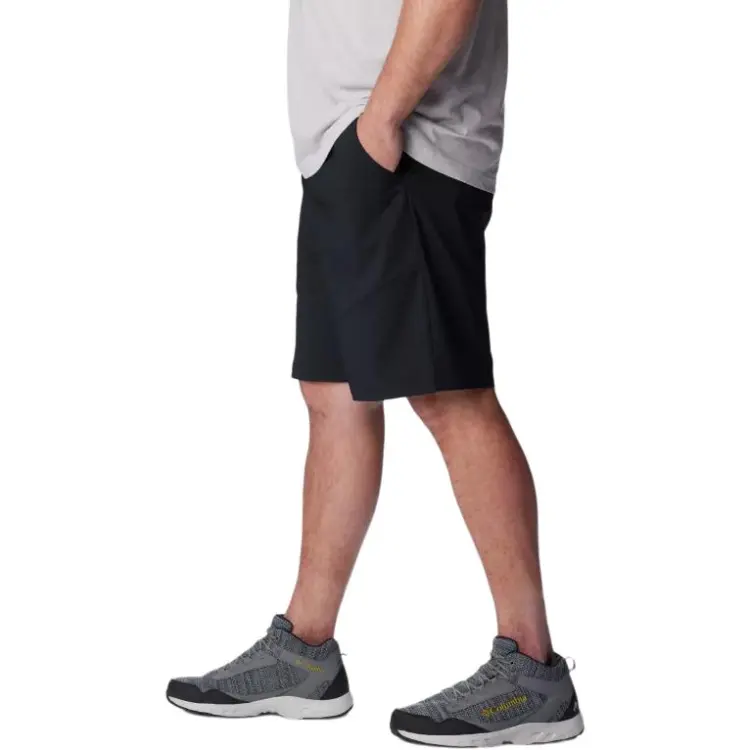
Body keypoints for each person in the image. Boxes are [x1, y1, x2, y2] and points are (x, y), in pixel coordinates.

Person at [166, 1, 583, 745]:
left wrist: (383, 120)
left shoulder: (392, 133)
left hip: (407, 144)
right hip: (351, 150)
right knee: (333, 393)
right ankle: (305, 649)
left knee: (449, 395)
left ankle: (532, 667)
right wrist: (358, 141)